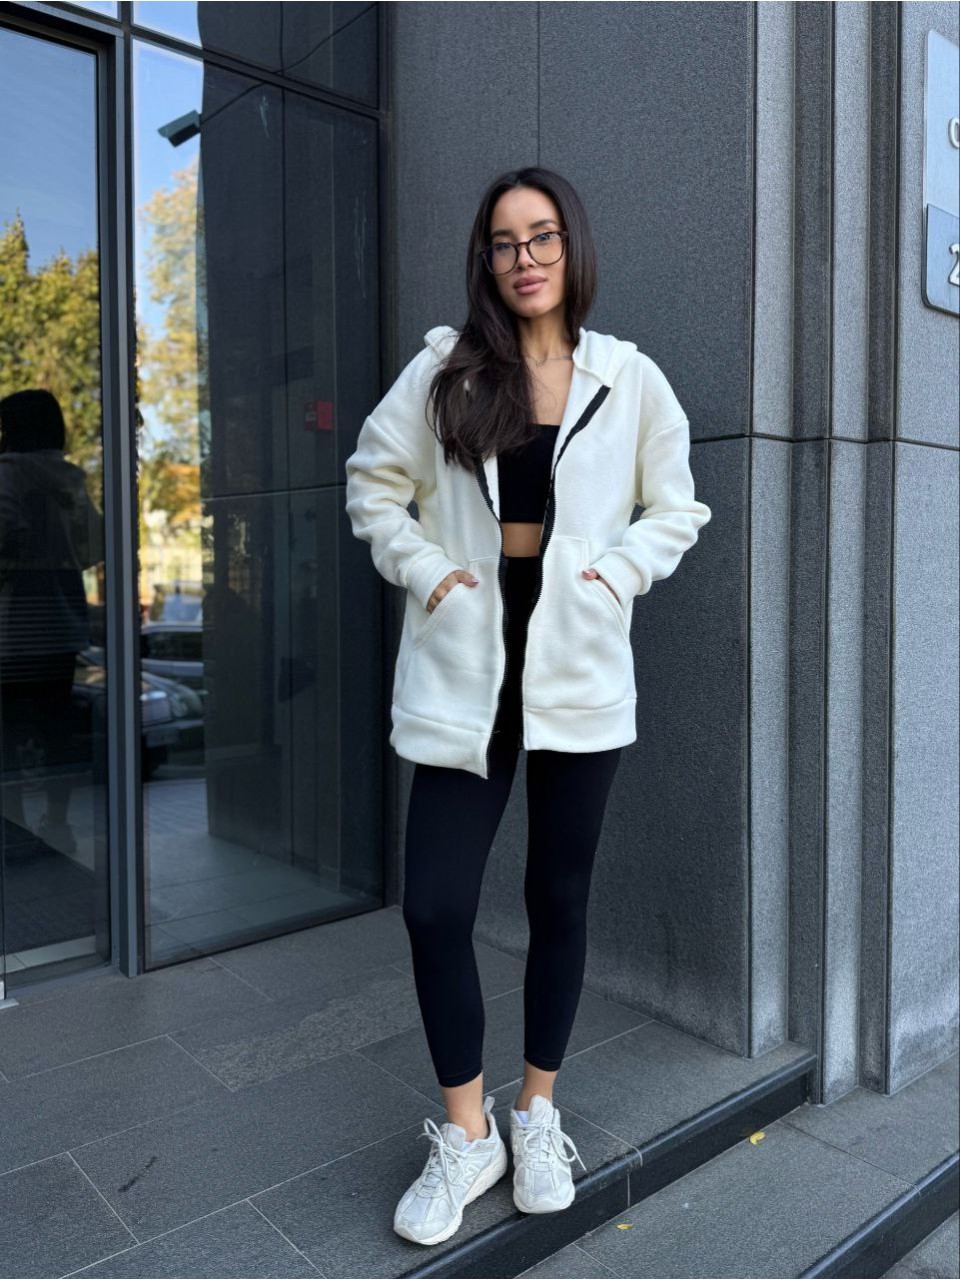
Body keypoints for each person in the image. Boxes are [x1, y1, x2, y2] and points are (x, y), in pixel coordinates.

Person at [344, 166, 712, 1247]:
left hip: (575, 667)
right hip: (468, 662)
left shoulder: (628, 378)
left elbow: (676, 505)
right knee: (434, 905)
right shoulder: (444, 372)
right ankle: (470, 1135)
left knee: (559, 897)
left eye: (542, 235)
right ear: (487, 260)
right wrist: (430, 572)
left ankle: (537, 1111)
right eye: (504, 242)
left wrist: (612, 576)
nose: (525, 258)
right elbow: (373, 483)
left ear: (571, 245)